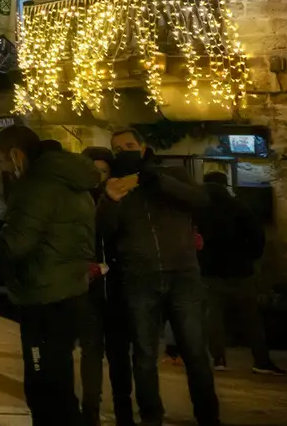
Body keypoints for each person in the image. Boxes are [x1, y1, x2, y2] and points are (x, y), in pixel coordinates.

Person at [0, 125, 98, 426]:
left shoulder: (37, 186)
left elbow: (13, 246)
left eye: (2, 162)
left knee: (43, 387)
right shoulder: (67, 180)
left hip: (43, 298)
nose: (2, 170)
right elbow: (41, 232)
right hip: (68, 289)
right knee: (58, 381)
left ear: (17, 155)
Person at [100, 128, 220, 426]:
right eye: (117, 149)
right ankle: (151, 417)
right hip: (140, 279)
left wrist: (160, 182)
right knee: (144, 355)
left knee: (195, 353)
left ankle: (209, 417)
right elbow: (103, 231)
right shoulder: (115, 185)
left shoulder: (173, 174)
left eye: (129, 146)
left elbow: (201, 201)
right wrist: (110, 199)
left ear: (143, 148)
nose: (123, 152)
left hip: (182, 275)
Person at [198, 172, 283, 375]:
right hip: (241, 271)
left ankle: (218, 360)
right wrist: (250, 258)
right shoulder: (240, 207)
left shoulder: (199, 209)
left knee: (214, 318)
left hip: (209, 272)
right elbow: (257, 237)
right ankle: (261, 361)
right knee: (252, 318)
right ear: (225, 184)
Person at [80, 146, 138, 426]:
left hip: (117, 288)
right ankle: (90, 412)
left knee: (118, 354)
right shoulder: (77, 201)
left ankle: (123, 413)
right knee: (91, 352)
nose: (100, 177)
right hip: (88, 288)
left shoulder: (121, 201)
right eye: (95, 171)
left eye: (104, 172)